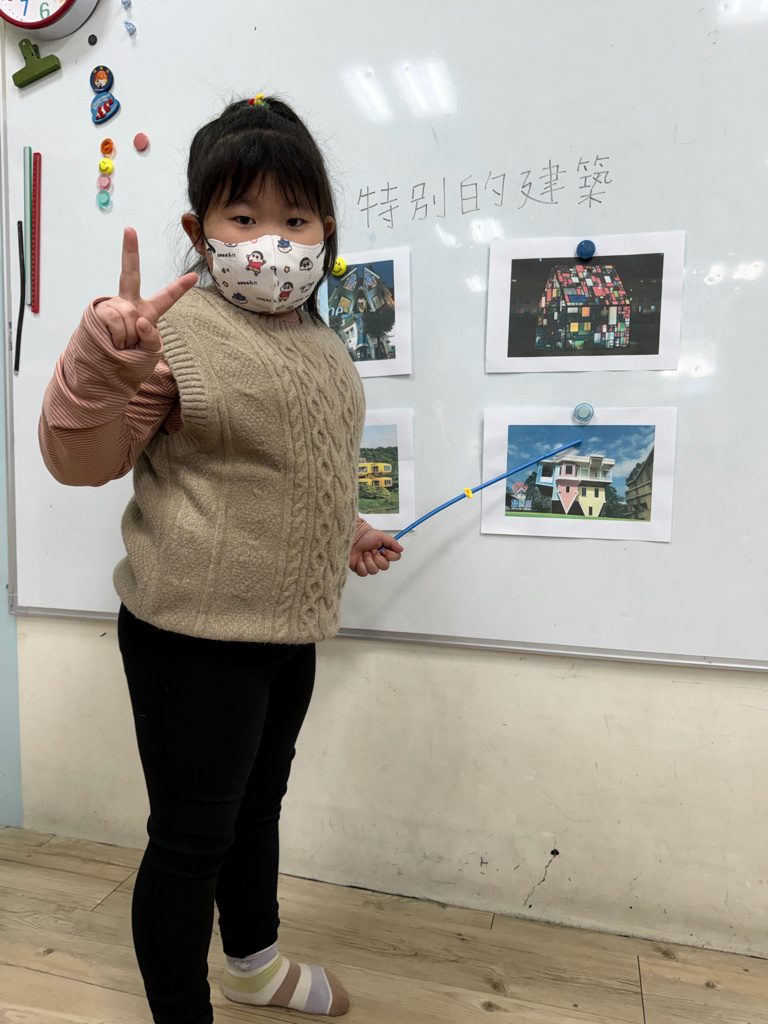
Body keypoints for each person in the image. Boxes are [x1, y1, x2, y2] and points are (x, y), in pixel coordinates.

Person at [38, 93, 404, 1024]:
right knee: (190, 840)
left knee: (257, 809)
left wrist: (346, 530)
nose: (271, 240)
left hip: (289, 631)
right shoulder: (166, 336)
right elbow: (79, 461)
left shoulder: (322, 342)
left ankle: (253, 967)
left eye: (296, 218)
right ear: (199, 231)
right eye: (243, 217)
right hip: (190, 638)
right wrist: (101, 367)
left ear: (326, 232)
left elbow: (294, 468)